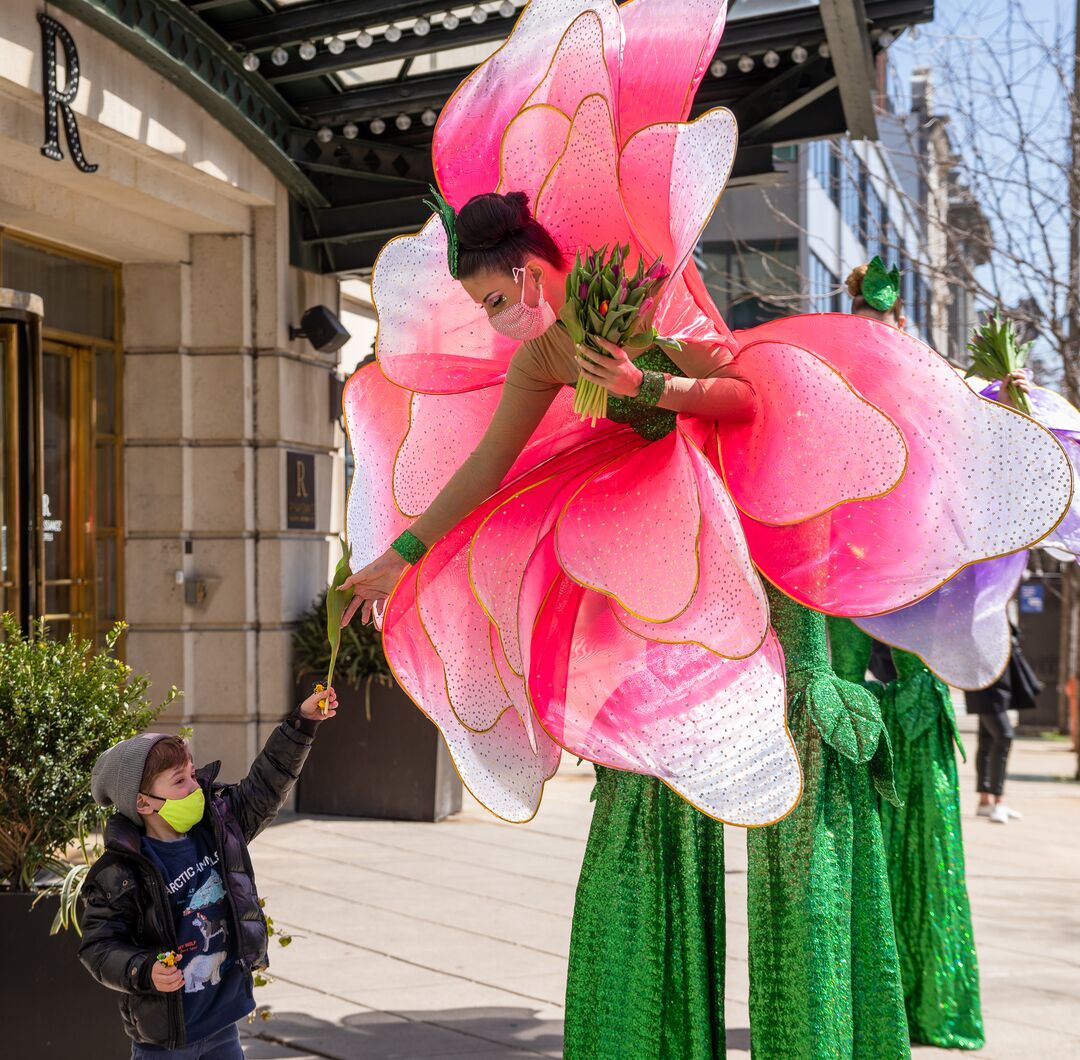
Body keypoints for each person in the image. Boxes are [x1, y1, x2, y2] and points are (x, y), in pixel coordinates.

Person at [337, 4, 1069, 1056]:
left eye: (500, 295)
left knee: (799, 745)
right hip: (646, 527)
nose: (497, 318)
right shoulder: (541, 357)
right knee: (649, 768)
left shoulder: (633, 297)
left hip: (750, 511)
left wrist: (640, 380)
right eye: (486, 305)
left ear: (538, 269)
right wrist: (394, 561)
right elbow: (490, 474)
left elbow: (741, 403)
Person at [78, 686, 338, 1058]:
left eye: (191, 774)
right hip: (165, 1040)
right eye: (179, 781)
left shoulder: (218, 825)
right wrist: (144, 970)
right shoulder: (119, 873)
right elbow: (99, 947)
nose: (195, 786)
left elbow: (267, 783)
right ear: (143, 803)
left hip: (222, 1023)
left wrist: (302, 723)